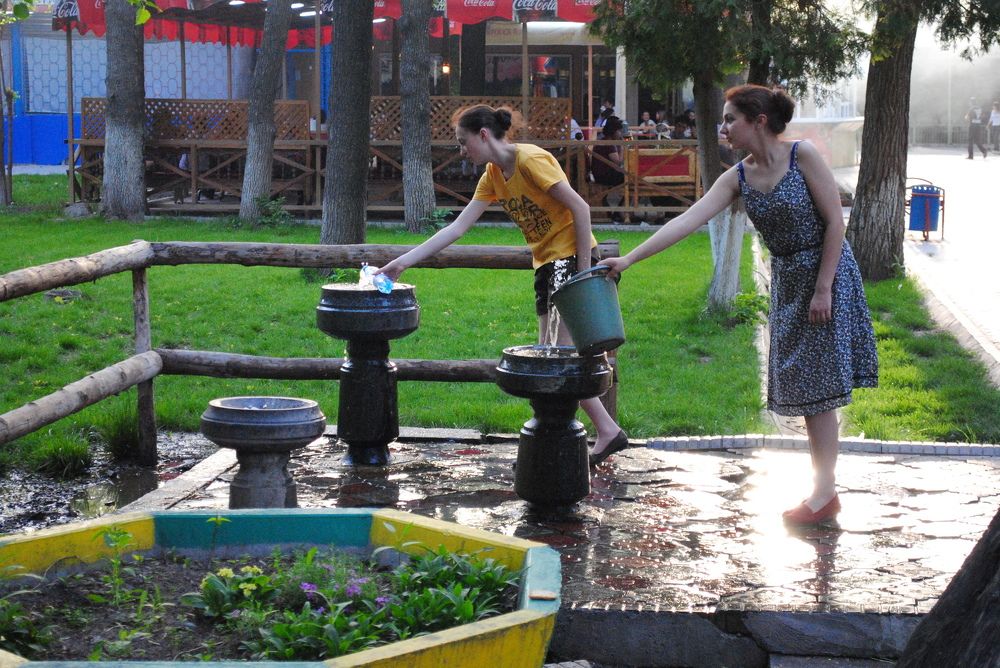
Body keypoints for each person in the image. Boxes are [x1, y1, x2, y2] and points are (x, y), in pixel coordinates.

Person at [598, 85, 878, 525]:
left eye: (731, 119)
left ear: (759, 120)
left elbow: (834, 224)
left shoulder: (802, 156)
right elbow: (688, 219)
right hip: (789, 281)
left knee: (820, 389)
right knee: (809, 387)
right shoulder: (738, 177)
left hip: (827, 275)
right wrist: (629, 259)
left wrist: (823, 288)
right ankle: (823, 491)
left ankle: (824, 493)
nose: (723, 127)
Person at [376, 105, 628, 466]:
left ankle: (576, 438)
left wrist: (583, 276)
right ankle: (594, 432)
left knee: (557, 359)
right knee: (549, 357)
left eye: (463, 142)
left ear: (483, 135)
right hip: (546, 265)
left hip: (571, 259)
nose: (462, 150)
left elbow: (581, 209)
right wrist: (402, 262)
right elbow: (457, 228)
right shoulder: (493, 176)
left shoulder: (530, 160)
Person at [590, 116, 626, 223]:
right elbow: (618, 161)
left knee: (630, 179)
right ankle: (620, 211)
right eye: (619, 131)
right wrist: (623, 147)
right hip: (604, 175)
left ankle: (619, 211)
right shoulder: (609, 144)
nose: (621, 134)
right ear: (613, 131)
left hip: (599, 173)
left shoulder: (604, 141)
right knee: (632, 181)